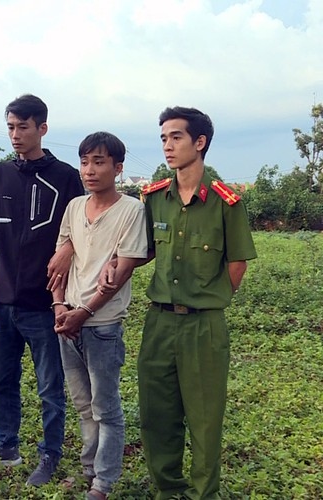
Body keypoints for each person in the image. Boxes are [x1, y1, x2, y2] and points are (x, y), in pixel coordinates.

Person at [104, 106, 256, 499]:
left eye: (176, 137)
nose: (167, 146)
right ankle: (168, 489)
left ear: (200, 142)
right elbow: (145, 250)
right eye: (163, 138)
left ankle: (204, 493)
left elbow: (236, 264)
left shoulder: (227, 202)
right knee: (157, 415)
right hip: (159, 323)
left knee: (204, 419)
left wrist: (210, 299)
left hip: (204, 326)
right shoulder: (155, 198)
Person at [0, 94, 85, 487]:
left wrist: (68, 249)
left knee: (50, 387)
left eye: (23, 127)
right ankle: (6, 445)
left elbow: (80, 230)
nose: (15, 135)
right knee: (2, 380)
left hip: (44, 301)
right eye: (10, 127)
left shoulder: (66, 176)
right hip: (3, 300)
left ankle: (50, 453)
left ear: (42, 128)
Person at [51, 132, 148, 500]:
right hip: (67, 320)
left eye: (99, 162)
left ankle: (104, 481)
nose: (90, 170)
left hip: (102, 325)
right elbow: (60, 263)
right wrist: (60, 306)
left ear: (118, 168)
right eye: (85, 162)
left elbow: (121, 271)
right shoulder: (75, 207)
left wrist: (85, 311)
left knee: (106, 406)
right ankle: (88, 469)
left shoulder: (131, 210)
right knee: (82, 404)